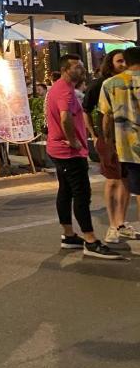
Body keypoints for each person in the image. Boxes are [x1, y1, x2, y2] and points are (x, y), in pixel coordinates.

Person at [47, 54, 121, 259]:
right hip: (69, 153)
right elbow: (65, 118)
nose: (82, 70)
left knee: (66, 191)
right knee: (81, 194)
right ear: (65, 70)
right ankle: (90, 240)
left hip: (58, 150)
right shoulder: (66, 92)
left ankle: (69, 235)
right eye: (77, 67)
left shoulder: (59, 88)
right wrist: (72, 140)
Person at [84, 49, 129, 245]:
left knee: (126, 181)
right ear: (111, 63)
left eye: (125, 61)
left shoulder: (130, 83)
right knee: (112, 180)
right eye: (120, 61)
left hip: (129, 139)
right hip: (109, 139)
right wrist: (94, 135)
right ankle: (113, 224)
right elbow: (85, 109)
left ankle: (121, 222)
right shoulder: (101, 84)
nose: (124, 65)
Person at [98, 46, 140, 247]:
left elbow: (107, 117)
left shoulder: (110, 84)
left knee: (136, 190)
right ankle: (118, 226)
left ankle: (116, 226)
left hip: (126, 148)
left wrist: (108, 142)